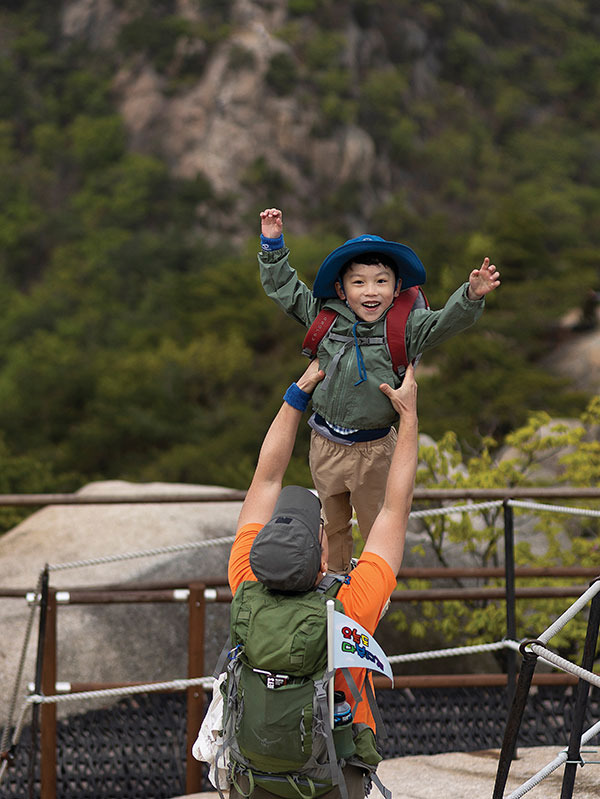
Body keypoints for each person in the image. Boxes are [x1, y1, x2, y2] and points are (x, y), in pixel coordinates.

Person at [258, 207, 500, 573]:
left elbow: (445, 323)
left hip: (374, 451)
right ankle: (337, 580)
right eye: (358, 282)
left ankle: (374, 591)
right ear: (341, 289)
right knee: (334, 523)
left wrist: (470, 295)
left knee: (377, 526)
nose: (370, 292)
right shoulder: (325, 317)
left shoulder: (405, 327)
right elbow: (286, 290)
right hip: (323, 443)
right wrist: (272, 243)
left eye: (381, 282)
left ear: (397, 287)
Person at [226, 357, 419, 798]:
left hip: (253, 775)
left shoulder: (244, 584)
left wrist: (298, 393)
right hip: (332, 776)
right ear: (322, 557)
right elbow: (395, 507)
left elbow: (266, 478)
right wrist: (408, 416)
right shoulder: (350, 608)